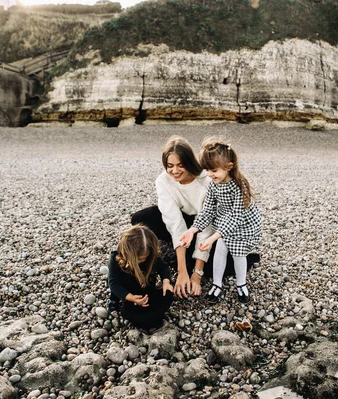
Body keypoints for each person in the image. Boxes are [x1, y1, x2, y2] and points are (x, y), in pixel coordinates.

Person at [180, 137, 262, 304]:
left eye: (214, 170)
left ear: (229, 167)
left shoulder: (240, 185)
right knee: (220, 250)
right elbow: (208, 210)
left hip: (243, 225)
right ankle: (217, 284)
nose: (210, 174)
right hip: (224, 222)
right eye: (207, 170)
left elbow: (236, 216)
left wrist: (212, 238)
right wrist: (192, 230)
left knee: (239, 254)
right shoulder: (213, 185)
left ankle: (241, 284)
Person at [131, 136, 215, 298]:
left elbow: (206, 229)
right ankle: (182, 251)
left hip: (203, 224)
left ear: (189, 162)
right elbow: (175, 223)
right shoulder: (163, 181)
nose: (174, 171)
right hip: (181, 220)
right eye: (170, 166)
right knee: (140, 219)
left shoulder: (207, 182)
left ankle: (192, 256)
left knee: (217, 268)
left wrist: (196, 275)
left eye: (180, 165)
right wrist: (182, 271)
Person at [108, 225, 174, 331]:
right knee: (127, 312)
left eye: (145, 258)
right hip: (128, 292)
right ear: (127, 254)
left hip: (146, 289)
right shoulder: (116, 259)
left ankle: (152, 317)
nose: (143, 260)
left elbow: (164, 268)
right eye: (139, 259)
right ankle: (113, 301)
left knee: (168, 294)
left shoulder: (150, 256)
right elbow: (113, 283)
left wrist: (166, 282)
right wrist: (131, 297)